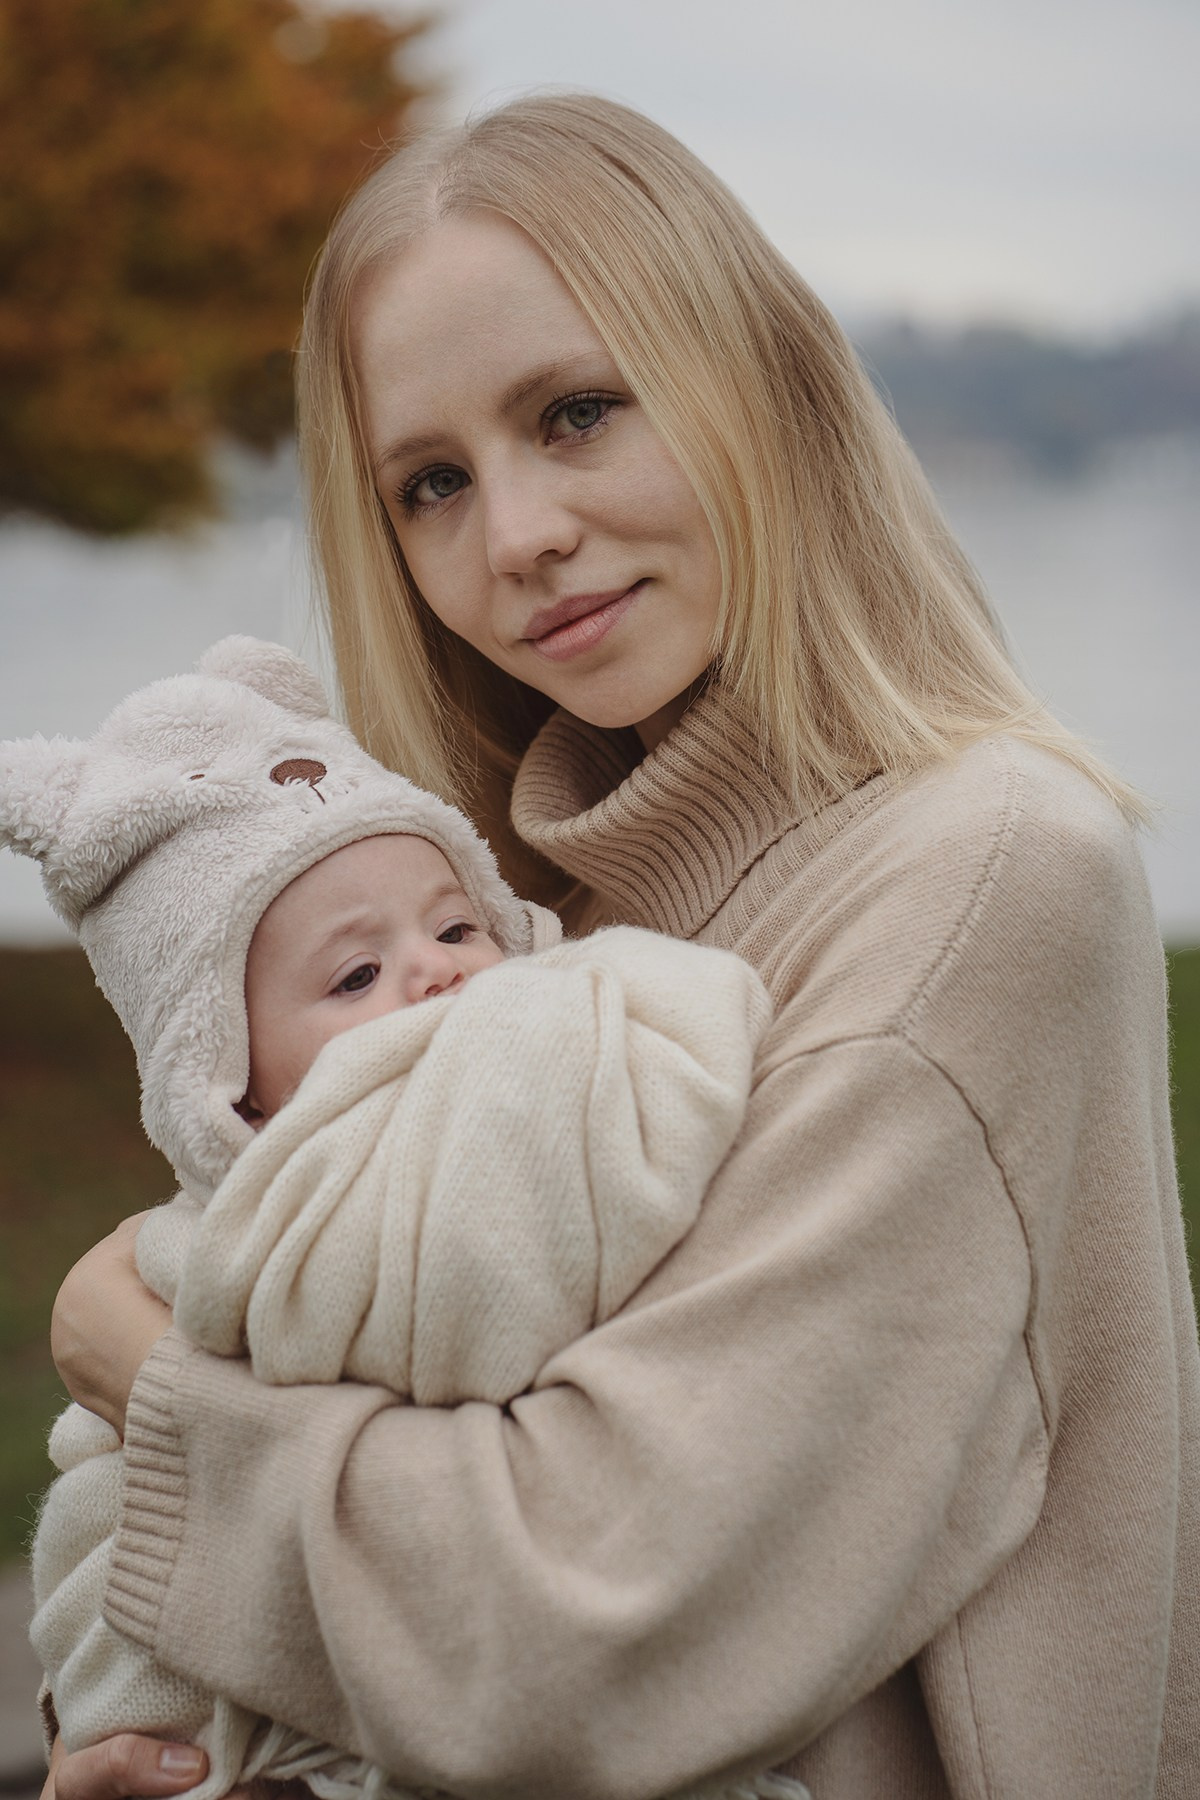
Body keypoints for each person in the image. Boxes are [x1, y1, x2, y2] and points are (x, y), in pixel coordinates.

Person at [43, 91, 1200, 1800]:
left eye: (576, 413)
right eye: (433, 484)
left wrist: (148, 1380)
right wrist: (157, 1743)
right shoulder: (517, 926)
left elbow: (582, 1634)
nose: (516, 536)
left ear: (763, 387)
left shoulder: (983, 877)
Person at [3, 636, 774, 1800]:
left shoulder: (569, 1078)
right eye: (355, 977)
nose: (437, 973)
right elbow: (115, 1507)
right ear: (231, 1088)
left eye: (457, 928)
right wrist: (107, 1714)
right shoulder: (207, 1250)